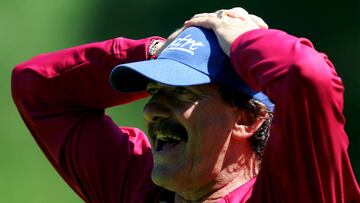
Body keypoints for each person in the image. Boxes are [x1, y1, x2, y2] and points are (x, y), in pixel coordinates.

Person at [11, 7, 359, 203]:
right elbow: (38, 86)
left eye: (182, 94)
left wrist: (243, 41)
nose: (151, 111)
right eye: (153, 90)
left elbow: (306, 75)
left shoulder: (293, 192)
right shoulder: (137, 185)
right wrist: (154, 51)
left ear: (248, 119)